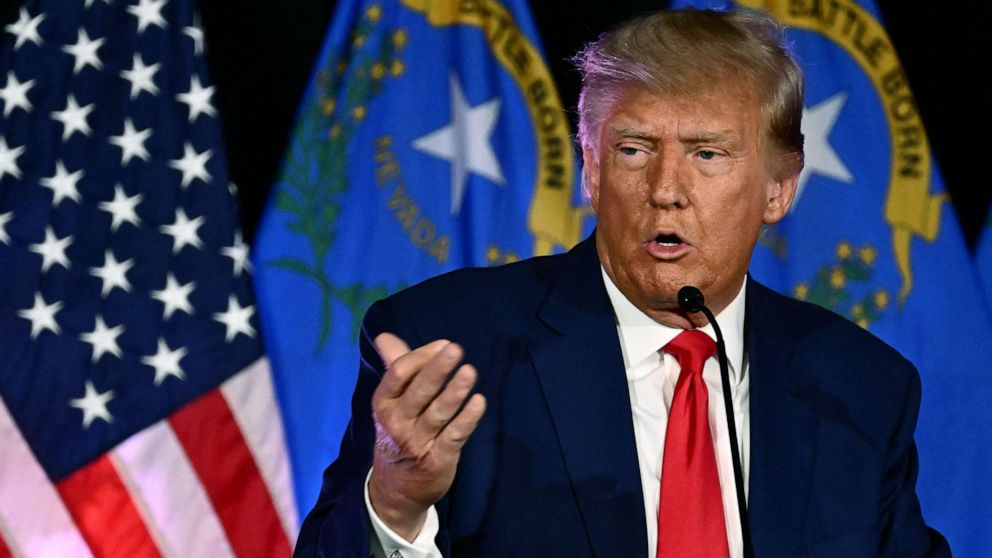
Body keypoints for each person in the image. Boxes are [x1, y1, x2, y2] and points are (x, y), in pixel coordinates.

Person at [294, 8, 950, 557]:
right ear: (592, 171)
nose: (666, 192)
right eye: (633, 150)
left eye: (707, 154)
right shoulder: (451, 346)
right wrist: (395, 505)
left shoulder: (860, 388)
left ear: (779, 188)